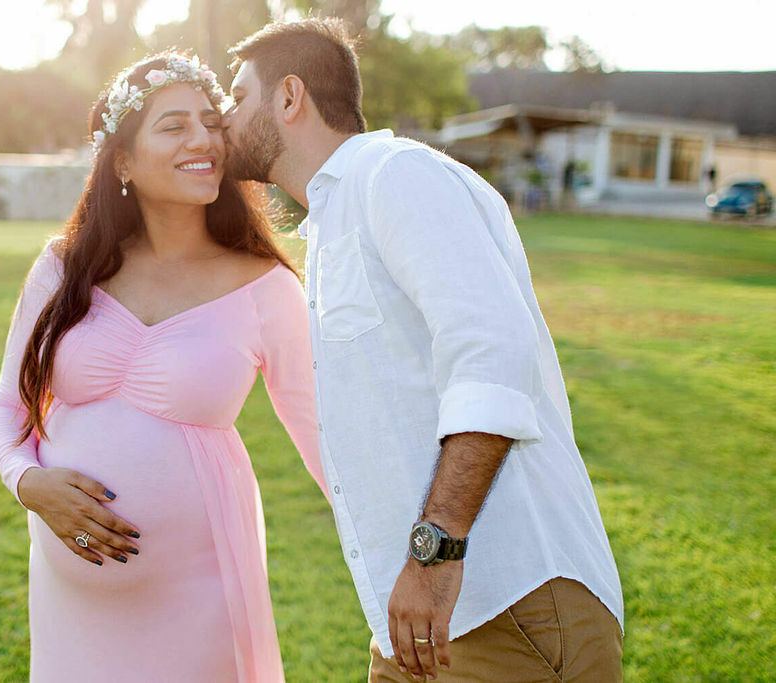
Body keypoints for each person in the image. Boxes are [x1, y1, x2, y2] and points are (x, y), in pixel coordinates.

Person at [224, 19, 624, 681]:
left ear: (289, 97)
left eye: (238, 97)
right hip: (412, 624)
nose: (224, 117)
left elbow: (492, 352)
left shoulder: (395, 174)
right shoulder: (330, 220)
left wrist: (434, 552)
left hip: (507, 603)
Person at [0, 52, 324, 682]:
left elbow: (325, 440)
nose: (203, 140)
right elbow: (9, 406)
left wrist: (424, 556)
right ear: (123, 161)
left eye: (210, 122)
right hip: (72, 608)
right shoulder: (65, 267)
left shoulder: (267, 287)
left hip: (202, 593)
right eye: (174, 126)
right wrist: (27, 483)